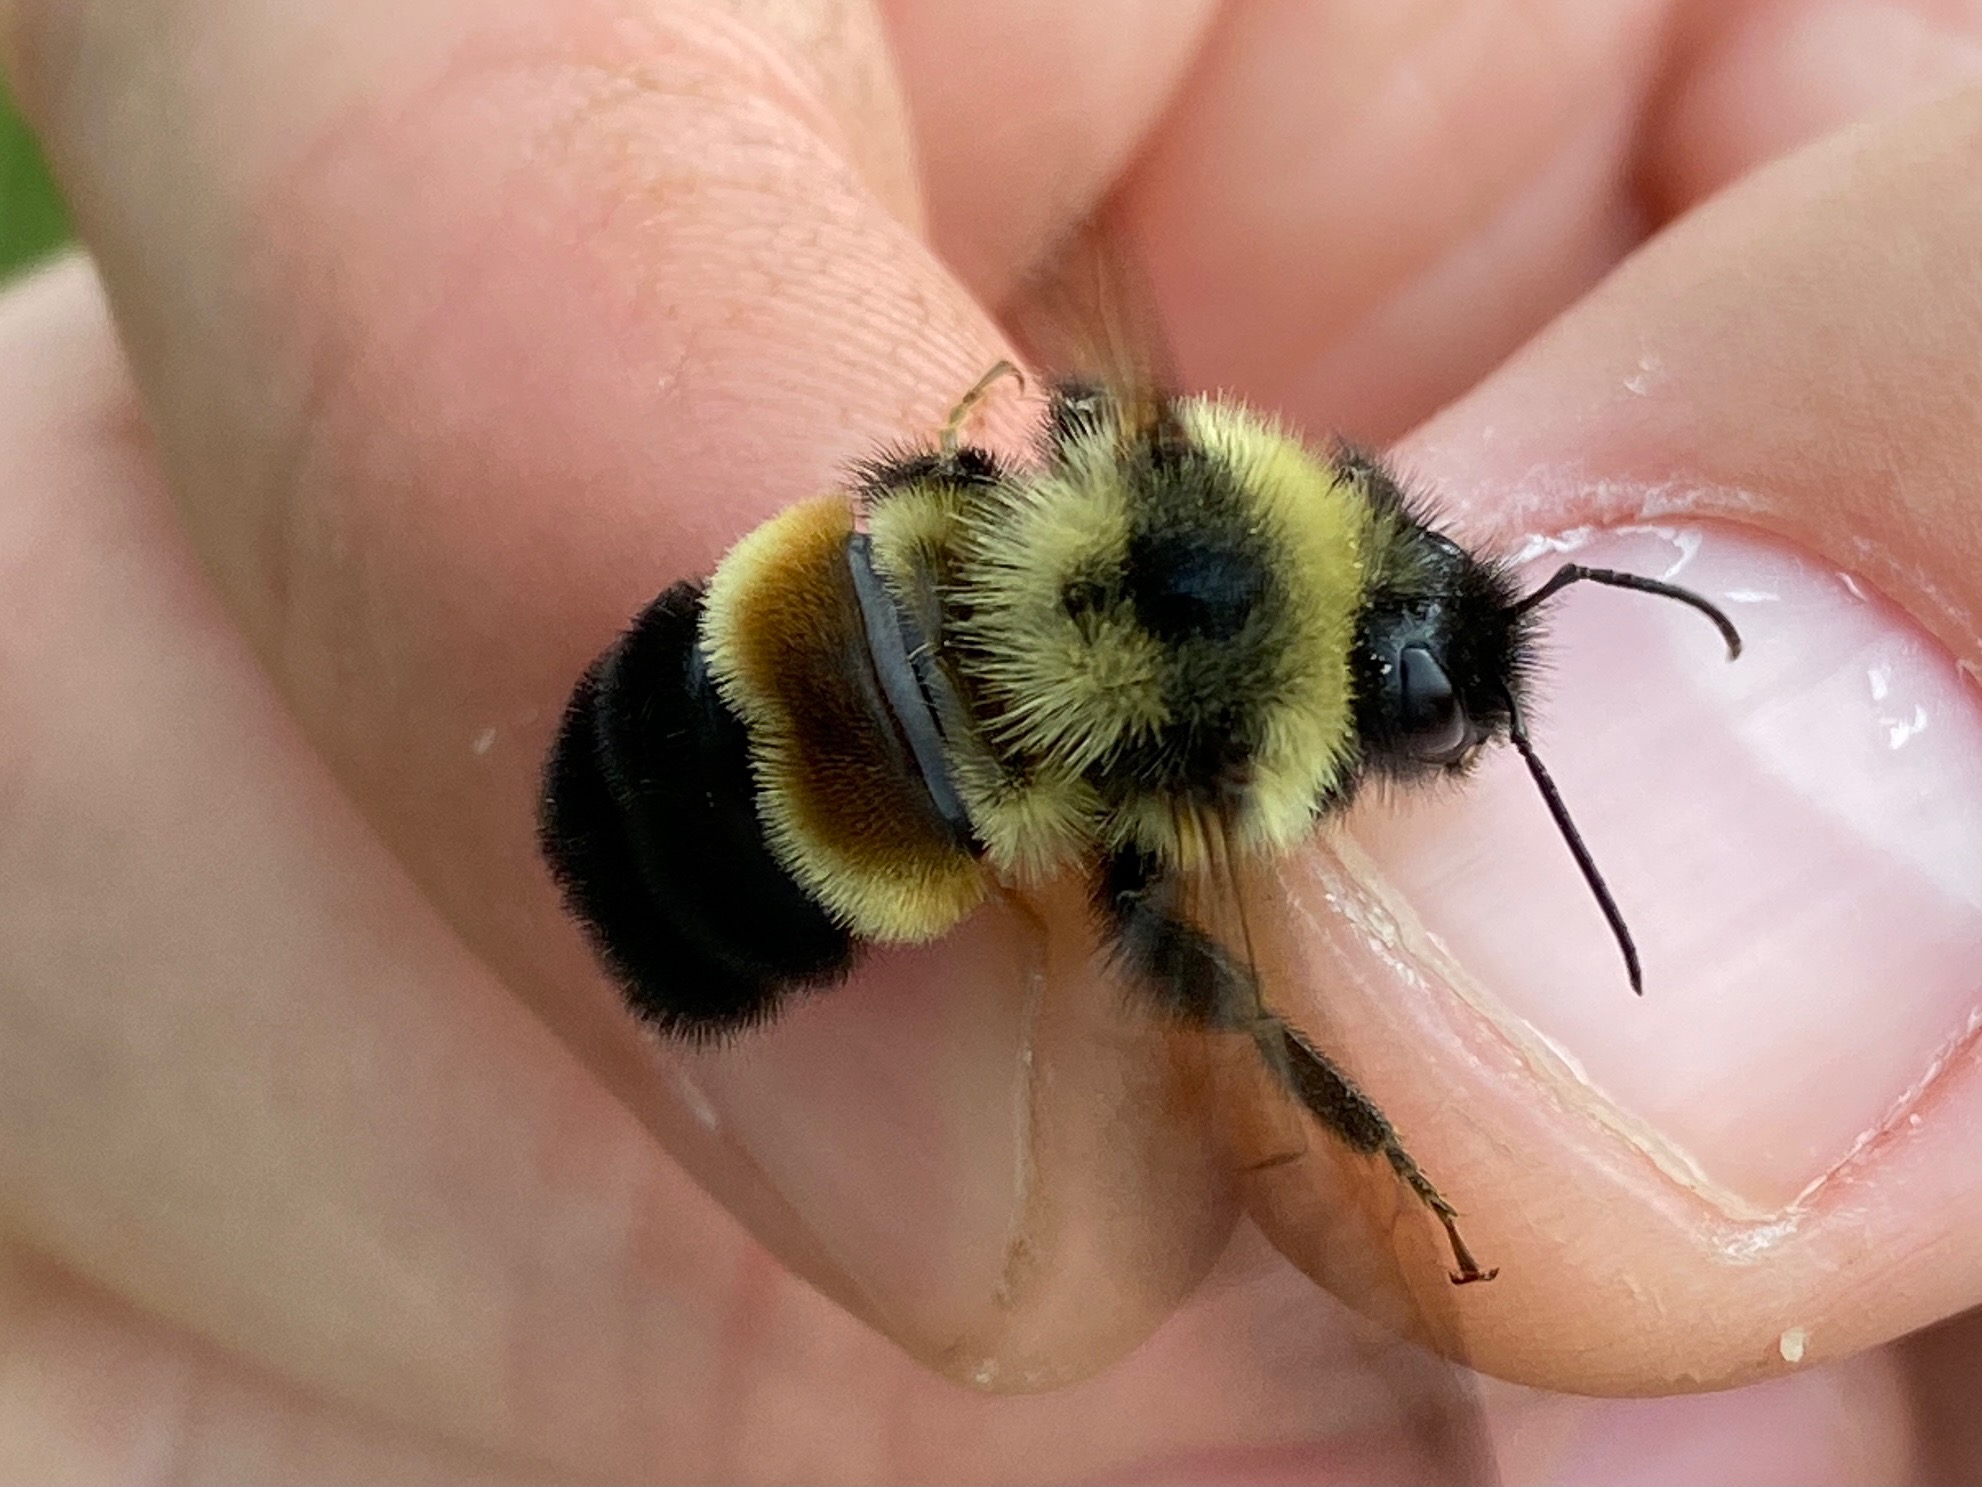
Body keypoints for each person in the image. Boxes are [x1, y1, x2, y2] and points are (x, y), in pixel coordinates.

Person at [2, 0, 1979, 1478]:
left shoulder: (1189, 471)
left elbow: (1073, 418)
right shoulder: (1224, 784)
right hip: (805, 773)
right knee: (1156, 970)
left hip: (779, 645)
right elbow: (1198, 982)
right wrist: (1387, 1170)